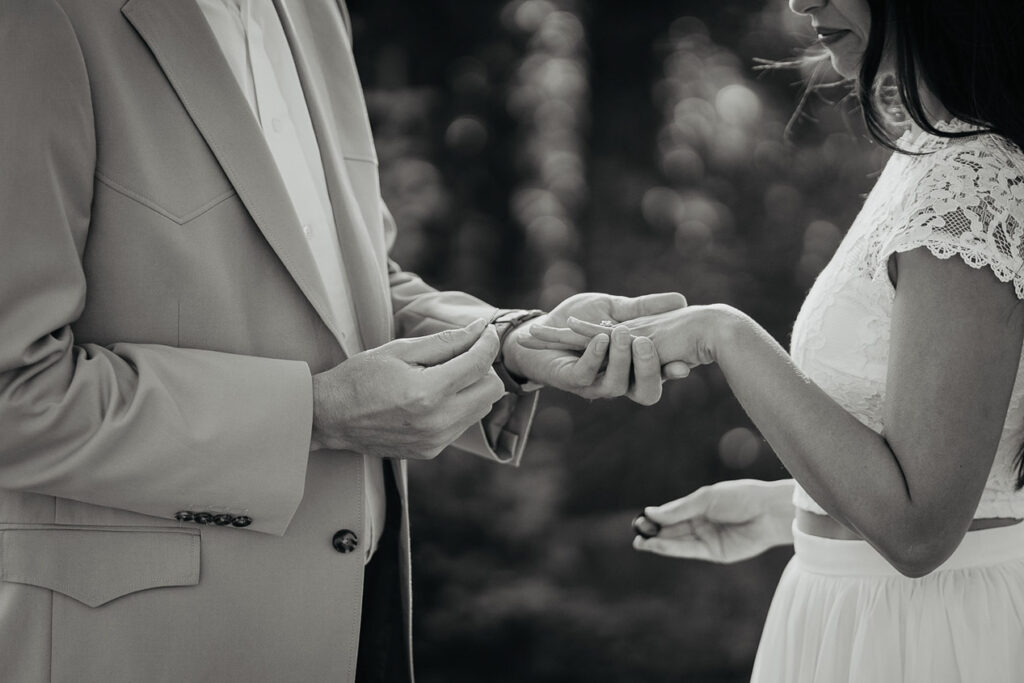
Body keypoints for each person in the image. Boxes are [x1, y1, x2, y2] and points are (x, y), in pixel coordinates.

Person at [0, 1, 692, 681]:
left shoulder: (313, 11)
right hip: (139, 648)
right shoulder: (37, 19)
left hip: (357, 620)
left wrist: (506, 342)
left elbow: (346, 285)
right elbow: (14, 393)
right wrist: (317, 413)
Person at [524, 0, 1024, 680]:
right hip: (854, 612)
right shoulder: (937, 156)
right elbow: (957, 456)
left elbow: (919, 528)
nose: (801, 2)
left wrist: (723, 334)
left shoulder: (977, 179)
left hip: (924, 637)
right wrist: (786, 504)